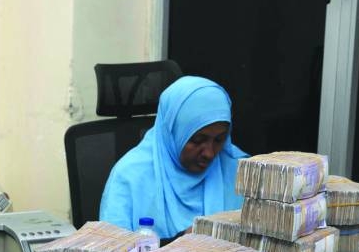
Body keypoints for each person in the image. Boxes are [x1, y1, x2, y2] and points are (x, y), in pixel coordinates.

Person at [98, 75, 247, 241]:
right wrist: (179, 242)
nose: (209, 153)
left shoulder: (237, 170)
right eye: (198, 140)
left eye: (219, 140)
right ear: (172, 133)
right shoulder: (130, 176)